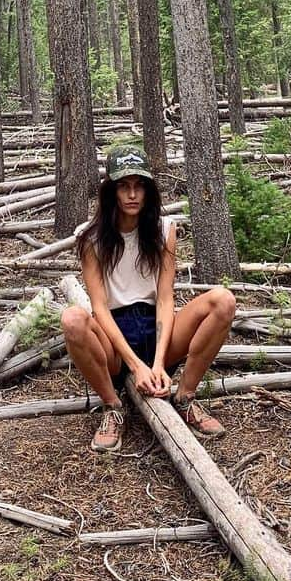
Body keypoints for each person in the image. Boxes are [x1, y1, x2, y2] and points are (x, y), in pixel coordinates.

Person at [61, 144, 237, 453]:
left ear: (148, 190)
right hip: (113, 336)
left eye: (139, 186)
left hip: (156, 329)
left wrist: (157, 363)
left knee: (223, 300)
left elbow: (166, 299)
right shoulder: (90, 237)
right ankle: (112, 406)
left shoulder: (163, 229)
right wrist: (135, 366)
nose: (132, 195)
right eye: (124, 187)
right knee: (73, 319)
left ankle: (185, 397)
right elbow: (99, 308)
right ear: (111, 191)